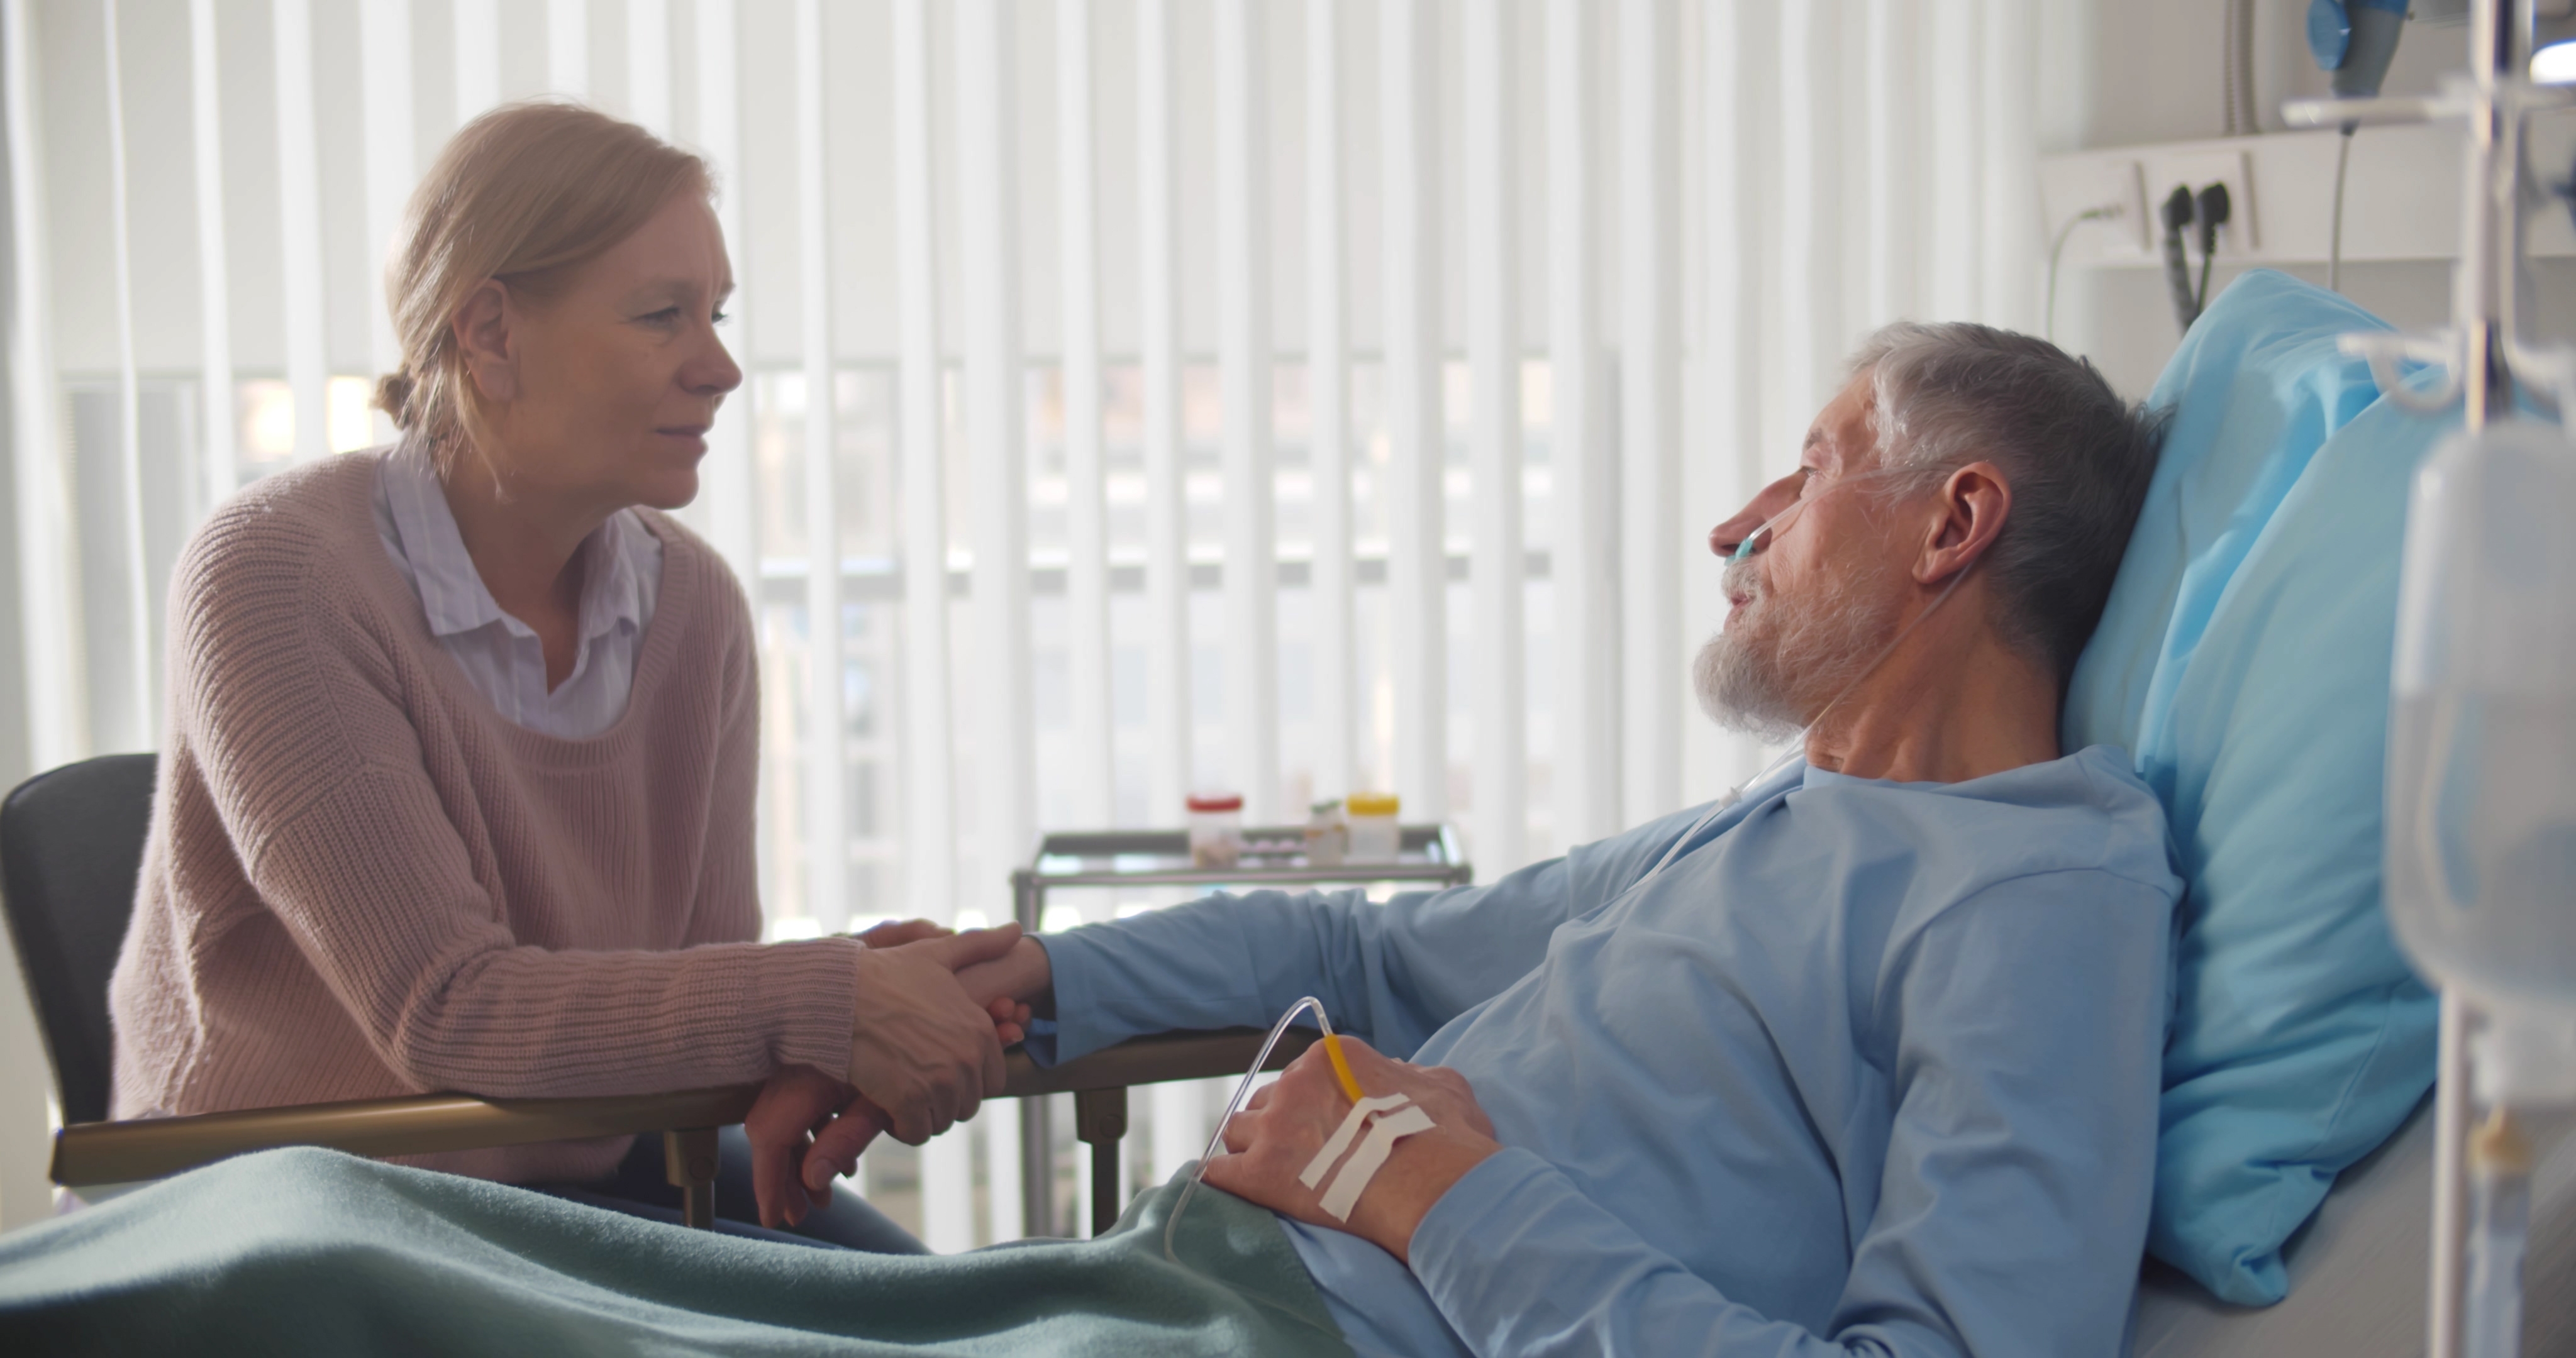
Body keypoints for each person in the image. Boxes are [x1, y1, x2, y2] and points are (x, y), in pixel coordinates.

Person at [23, 322, 2177, 1357]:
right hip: (1174, 1284)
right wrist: (989, 993)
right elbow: (1410, 953)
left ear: (1951, 525)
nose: (1736, 518)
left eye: (1803, 473)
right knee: (326, 1209)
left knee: (312, 1282)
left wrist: (1448, 1198)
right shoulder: (1788, 826)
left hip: (1282, 1335)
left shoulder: (2037, 909)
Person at [104, 101, 1018, 1250]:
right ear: (488, 333)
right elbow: (446, 1012)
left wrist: (879, 988)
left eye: (717, 314)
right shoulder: (278, 578)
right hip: (280, 1207)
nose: (722, 367)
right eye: (661, 317)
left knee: (939, 1312)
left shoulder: (695, 607)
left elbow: (699, 995)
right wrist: (822, 999)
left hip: (566, 1174)